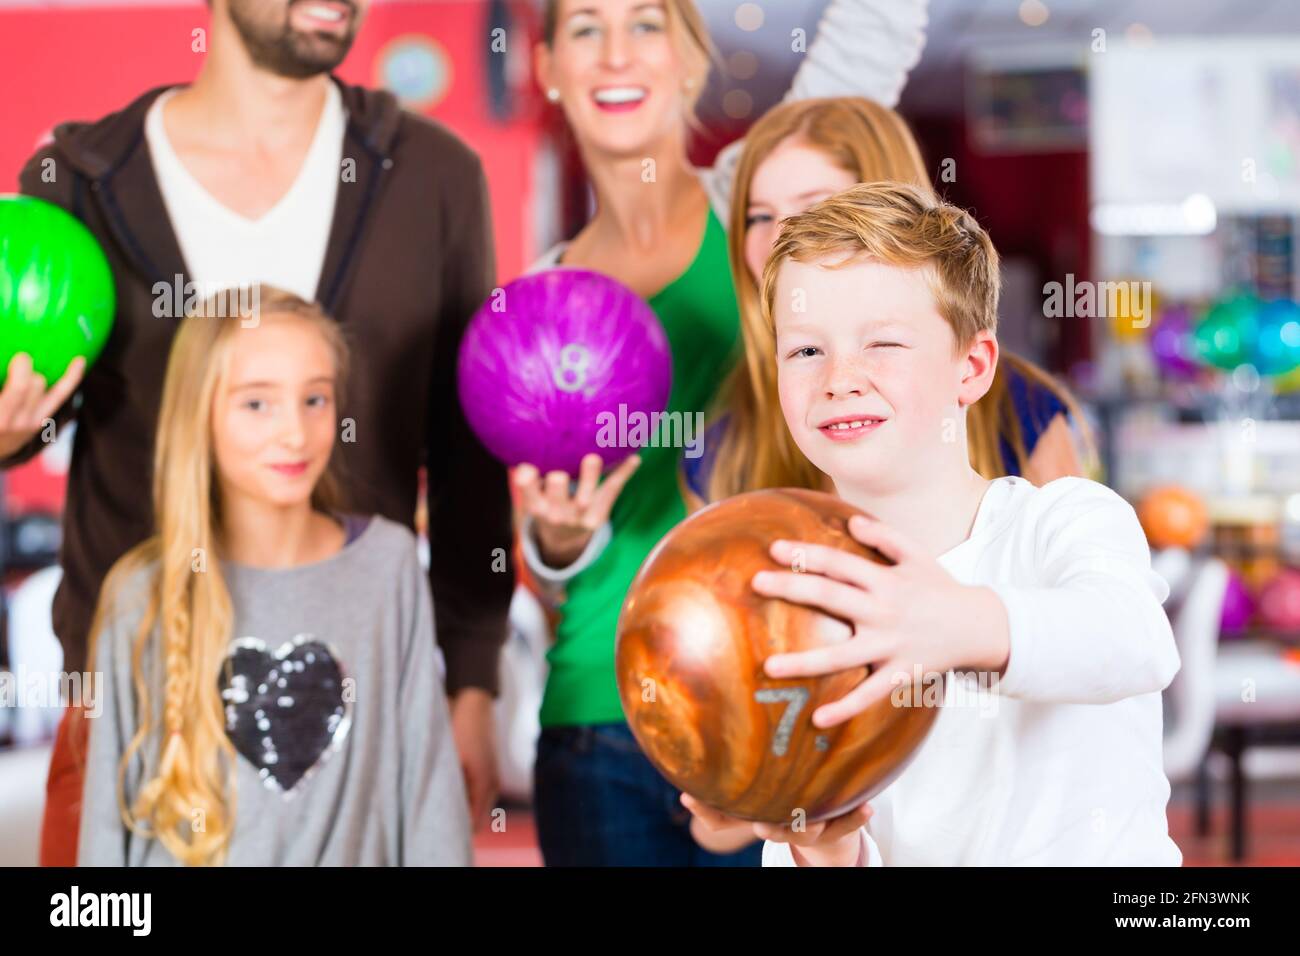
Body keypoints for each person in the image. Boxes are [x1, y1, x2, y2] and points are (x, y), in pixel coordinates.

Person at [0, 0, 510, 865]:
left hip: (364, 700)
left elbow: (468, 454)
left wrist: (472, 679)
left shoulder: (433, 175)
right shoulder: (80, 178)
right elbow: (28, 404)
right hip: (128, 696)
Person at [513, 0, 929, 866]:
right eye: (585, 29)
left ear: (696, 62)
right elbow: (553, 560)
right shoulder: (542, 296)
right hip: (601, 710)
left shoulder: (766, 196)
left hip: (782, 691)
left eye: (647, 24)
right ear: (547, 69)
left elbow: (874, 33)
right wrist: (556, 543)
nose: (617, 53)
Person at [682, 182, 1182, 865]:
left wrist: (953, 625)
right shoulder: (794, 598)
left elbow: (1136, 641)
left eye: (882, 343)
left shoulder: (1064, 520)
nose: (839, 378)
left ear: (971, 368)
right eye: (805, 351)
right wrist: (825, 846)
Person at [78, 289, 470, 866]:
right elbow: (107, 834)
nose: (294, 432)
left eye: (315, 398)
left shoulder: (388, 567)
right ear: (200, 414)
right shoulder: (140, 594)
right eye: (257, 404)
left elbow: (431, 797)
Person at [686, 96, 1092, 514]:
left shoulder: (1018, 411)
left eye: (813, 209)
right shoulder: (721, 449)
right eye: (758, 217)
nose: (780, 242)